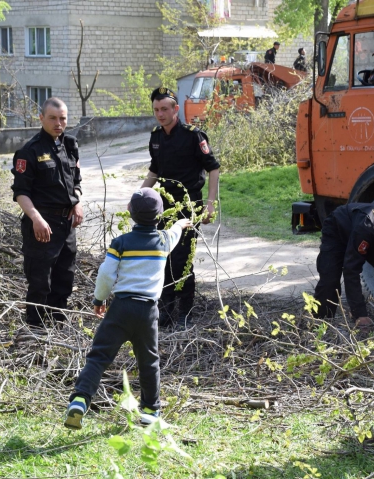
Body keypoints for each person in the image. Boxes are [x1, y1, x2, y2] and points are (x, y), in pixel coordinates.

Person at [63, 188, 192, 430]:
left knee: (99, 355)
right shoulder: (163, 241)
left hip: (121, 307)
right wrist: (180, 224)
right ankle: (151, 412)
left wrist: (99, 300)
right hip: (148, 312)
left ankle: (80, 399)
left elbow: (105, 274)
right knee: (149, 361)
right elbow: (173, 234)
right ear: (160, 215)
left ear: (130, 212)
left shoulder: (120, 243)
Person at [142, 87, 221, 328]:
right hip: (163, 208)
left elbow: (213, 168)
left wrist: (210, 204)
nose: (160, 114)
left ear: (176, 109)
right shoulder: (156, 136)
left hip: (189, 206)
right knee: (163, 258)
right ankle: (165, 311)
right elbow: (155, 169)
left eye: (165, 109)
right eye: (156, 110)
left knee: (181, 259)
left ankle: (185, 312)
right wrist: (140, 193)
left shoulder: (192, 135)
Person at [10, 97, 84, 329]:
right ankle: (36, 330)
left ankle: (58, 326)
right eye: (52, 118)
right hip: (42, 225)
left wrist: (77, 202)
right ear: (41, 118)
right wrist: (36, 218)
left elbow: (76, 182)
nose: (58, 123)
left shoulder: (70, 145)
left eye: (62, 118)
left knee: (64, 279)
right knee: (40, 282)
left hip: (66, 224)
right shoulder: (28, 151)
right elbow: (21, 192)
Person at [314, 203, 374, 328]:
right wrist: (360, 314)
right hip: (339, 229)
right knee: (330, 279)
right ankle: (320, 323)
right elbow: (351, 270)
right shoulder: (366, 228)